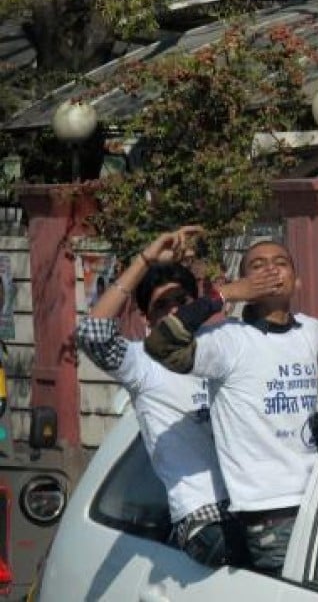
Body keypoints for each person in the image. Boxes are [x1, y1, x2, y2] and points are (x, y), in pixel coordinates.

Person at [145, 239, 318, 575]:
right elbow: (160, 344)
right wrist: (224, 295)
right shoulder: (227, 341)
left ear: (297, 281)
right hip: (271, 515)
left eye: (280, 262)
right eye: (257, 266)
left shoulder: (311, 330)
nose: (271, 269)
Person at [75, 227, 245, 566]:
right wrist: (145, 259)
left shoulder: (222, 344)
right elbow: (92, 334)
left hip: (250, 502)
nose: (174, 311)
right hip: (206, 519)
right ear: (146, 317)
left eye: (181, 301)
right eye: (161, 306)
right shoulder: (142, 362)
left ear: (195, 303)